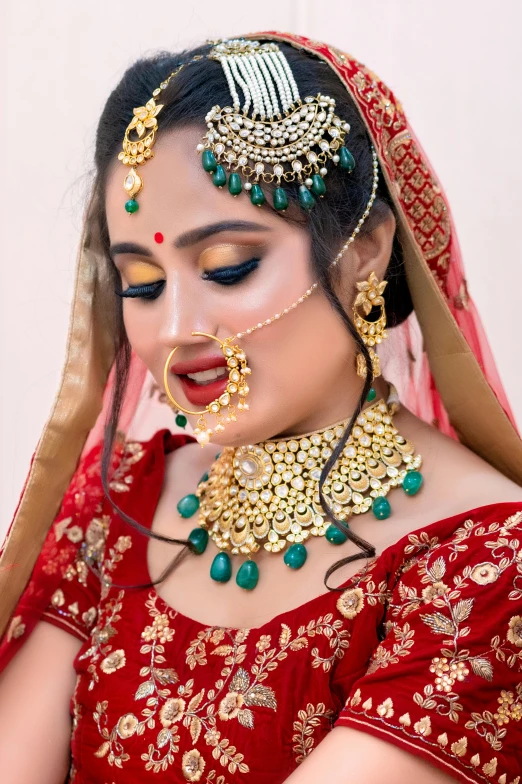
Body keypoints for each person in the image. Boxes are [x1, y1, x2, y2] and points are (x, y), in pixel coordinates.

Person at [0, 30, 521, 784]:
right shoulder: (117, 508)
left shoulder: (487, 567)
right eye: (141, 284)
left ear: (364, 251)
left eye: (228, 267)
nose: (175, 328)